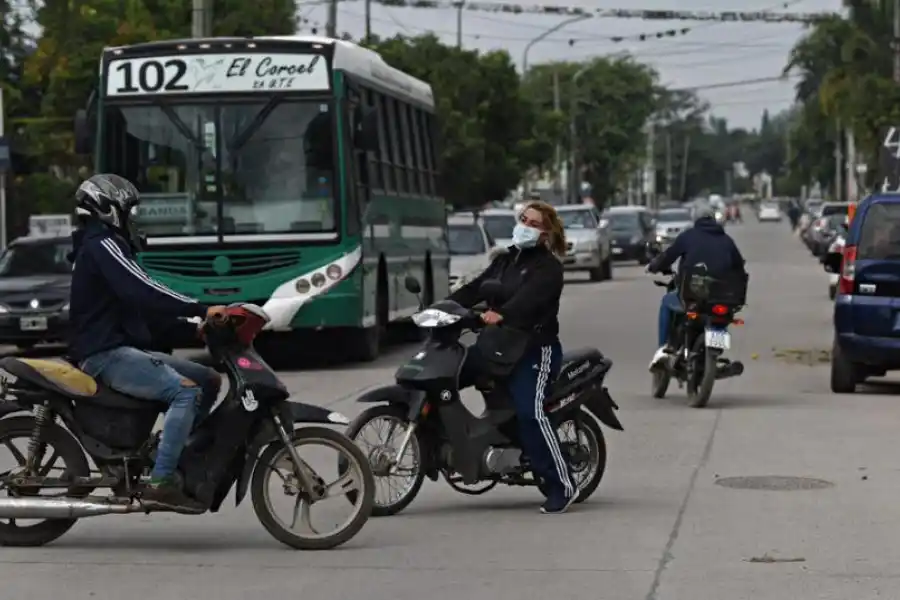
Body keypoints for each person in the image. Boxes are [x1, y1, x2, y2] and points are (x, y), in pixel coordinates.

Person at [68, 173, 227, 513]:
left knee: (208, 379)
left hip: (121, 349)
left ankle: (170, 454)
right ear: (108, 209)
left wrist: (191, 329)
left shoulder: (103, 247)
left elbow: (141, 312)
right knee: (186, 392)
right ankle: (161, 481)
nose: (133, 220)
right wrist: (201, 308)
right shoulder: (102, 245)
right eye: (130, 211)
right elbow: (143, 289)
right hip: (105, 354)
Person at [448, 201, 577, 514]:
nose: (525, 226)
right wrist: (444, 308)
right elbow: (476, 288)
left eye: (533, 223)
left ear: (545, 233)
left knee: (531, 414)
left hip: (533, 350)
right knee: (443, 377)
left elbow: (528, 301)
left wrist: (501, 314)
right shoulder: (505, 260)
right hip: (496, 345)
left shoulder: (548, 268)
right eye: (523, 219)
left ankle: (562, 485)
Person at [645, 205, 746, 370]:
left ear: (695, 219)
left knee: (666, 302)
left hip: (693, 296)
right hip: (723, 298)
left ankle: (663, 350)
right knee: (722, 317)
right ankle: (715, 353)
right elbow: (739, 267)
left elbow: (668, 256)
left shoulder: (688, 236)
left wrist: (653, 266)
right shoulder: (727, 240)